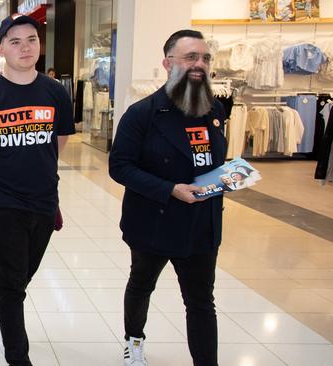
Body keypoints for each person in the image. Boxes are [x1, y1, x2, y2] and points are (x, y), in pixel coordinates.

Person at [109, 29, 226, 366]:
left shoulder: (214, 111)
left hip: (202, 224)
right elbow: (119, 166)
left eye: (204, 58)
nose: (199, 65)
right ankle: (135, 339)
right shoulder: (143, 113)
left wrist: (230, 176)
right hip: (154, 222)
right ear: (168, 62)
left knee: (201, 300)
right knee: (142, 283)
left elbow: (212, 160)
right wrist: (170, 189)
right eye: (191, 57)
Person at [0, 14, 75, 366]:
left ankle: (0, 317)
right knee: (11, 286)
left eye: (31, 39)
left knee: (23, 276)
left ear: (39, 44)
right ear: (1, 49)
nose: (25, 47)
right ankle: (18, 356)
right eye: (15, 42)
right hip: (2, 204)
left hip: (45, 202)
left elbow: (57, 143)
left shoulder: (55, 93)